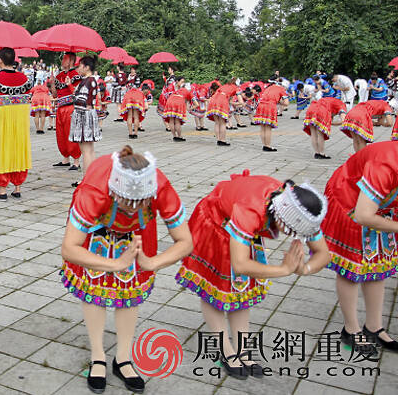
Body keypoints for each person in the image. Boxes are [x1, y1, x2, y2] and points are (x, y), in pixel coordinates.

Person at [61, 146, 191, 393]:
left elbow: (185, 241)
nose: (131, 209)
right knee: (94, 285)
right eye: (126, 204)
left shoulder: (160, 187)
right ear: (114, 191)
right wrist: (115, 264)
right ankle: (97, 355)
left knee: (130, 290)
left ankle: (123, 357)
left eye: (139, 204)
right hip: (98, 223)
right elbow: (69, 248)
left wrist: (152, 263)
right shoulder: (94, 191)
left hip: (139, 230)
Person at [176, 171, 330, 379]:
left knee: (242, 290)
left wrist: (304, 269)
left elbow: (323, 254)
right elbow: (240, 265)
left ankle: (243, 350)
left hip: (243, 228)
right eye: (291, 232)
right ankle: (225, 349)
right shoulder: (252, 210)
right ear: (282, 218)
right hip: (215, 222)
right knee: (214, 289)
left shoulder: (300, 207)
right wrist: (283, 270)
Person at [322, 141, 398, 354]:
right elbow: (363, 215)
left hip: (380, 206)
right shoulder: (386, 164)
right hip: (348, 201)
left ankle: (374, 326)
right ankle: (351, 329)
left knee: (379, 263)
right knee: (351, 268)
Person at [0, 48, 32, 200]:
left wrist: (1, 111)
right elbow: (27, 98)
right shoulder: (24, 79)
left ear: (0, 60)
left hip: (1, 120)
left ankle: (2, 189)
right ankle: (17, 187)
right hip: (20, 121)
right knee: (18, 150)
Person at [69, 55, 102, 184]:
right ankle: (91, 178)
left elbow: (81, 100)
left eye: (80, 65)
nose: (78, 68)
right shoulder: (89, 80)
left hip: (84, 116)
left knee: (86, 150)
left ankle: (87, 180)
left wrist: (74, 97)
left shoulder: (89, 81)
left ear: (87, 67)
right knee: (89, 149)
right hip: (87, 115)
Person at [50, 52, 82, 171]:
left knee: (71, 132)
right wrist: (52, 83)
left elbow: (77, 93)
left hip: (71, 107)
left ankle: (76, 161)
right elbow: (55, 94)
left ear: (71, 61)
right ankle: (65, 158)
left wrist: (69, 85)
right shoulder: (59, 76)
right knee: (61, 134)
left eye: (65, 59)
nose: (62, 61)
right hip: (60, 107)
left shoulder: (76, 75)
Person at [252, 83, 288, 152]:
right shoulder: (281, 89)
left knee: (262, 127)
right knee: (268, 127)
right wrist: (281, 101)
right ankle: (267, 146)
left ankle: (264, 144)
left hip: (261, 105)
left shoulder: (268, 88)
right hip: (270, 106)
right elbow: (286, 103)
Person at [162, 77, 191, 142]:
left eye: (183, 82)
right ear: (177, 81)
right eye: (182, 81)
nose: (182, 83)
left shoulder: (176, 87)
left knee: (172, 120)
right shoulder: (172, 87)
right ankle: (179, 136)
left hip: (170, 102)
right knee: (176, 121)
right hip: (175, 102)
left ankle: (174, 136)